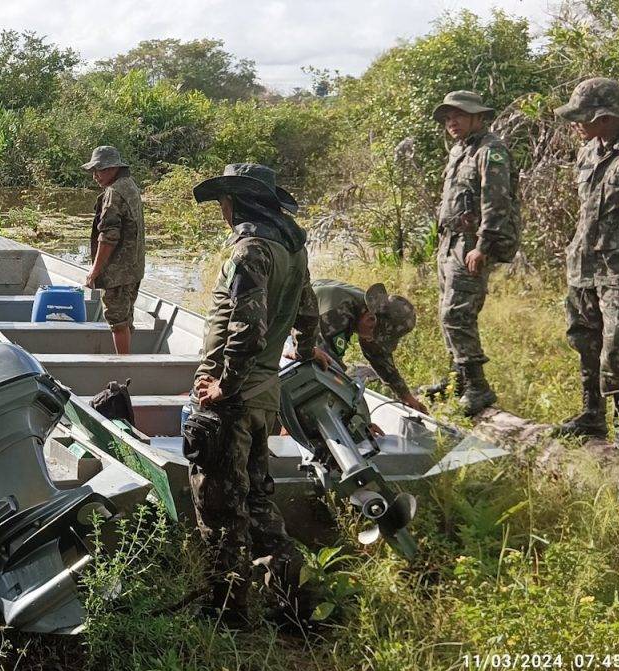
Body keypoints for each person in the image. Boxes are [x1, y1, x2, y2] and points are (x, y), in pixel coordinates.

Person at [188, 163, 318, 624]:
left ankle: (227, 609)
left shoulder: (249, 251)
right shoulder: (292, 250)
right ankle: (295, 603)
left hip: (232, 402)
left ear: (237, 202)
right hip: (264, 396)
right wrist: (308, 350)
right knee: (258, 502)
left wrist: (224, 384)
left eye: (224, 201)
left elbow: (247, 328)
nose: (222, 209)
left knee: (220, 506)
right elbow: (308, 313)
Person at [552, 78, 619, 440]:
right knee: (584, 338)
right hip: (582, 262)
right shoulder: (587, 152)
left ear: (606, 117)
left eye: (582, 117)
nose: (575, 124)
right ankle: (592, 414)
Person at [423, 91, 518, 416]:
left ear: (478, 117)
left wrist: (483, 246)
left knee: (457, 313)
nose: (452, 122)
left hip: (471, 244)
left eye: (459, 115)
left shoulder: (491, 151)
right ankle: (458, 379)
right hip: (449, 242)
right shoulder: (459, 150)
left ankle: (478, 386)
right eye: (448, 117)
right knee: (446, 311)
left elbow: (497, 202)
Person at [290, 280, 427, 413]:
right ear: (369, 319)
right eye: (373, 336)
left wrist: (405, 395)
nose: (371, 340)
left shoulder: (368, 308)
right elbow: (324, 366)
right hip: (288, 323)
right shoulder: (337, 315)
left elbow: (378, 355)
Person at [79, 146, 146, 354]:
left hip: (118, 273)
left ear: (112, 168)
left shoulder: (113, 193)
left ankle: (124, 365)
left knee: (117, 322)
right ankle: (127, 360)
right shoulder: (130, 185)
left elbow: (108, 237)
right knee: (125, 319)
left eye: (98, 170)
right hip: (133, 269)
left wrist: (94, 271)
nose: (95, 176)